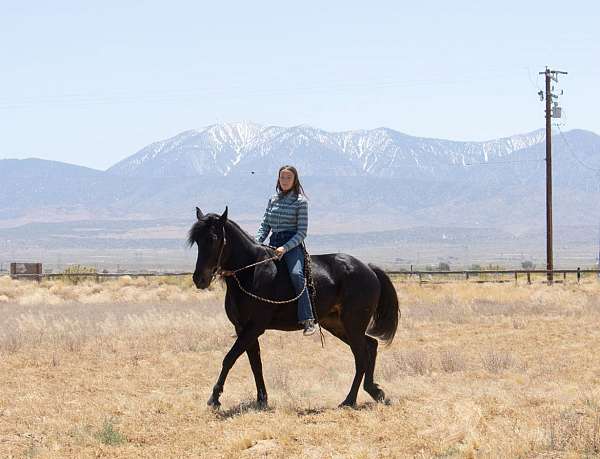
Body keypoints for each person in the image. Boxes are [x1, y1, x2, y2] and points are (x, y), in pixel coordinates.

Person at [256, 165, 316, 336]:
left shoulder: (300, 202)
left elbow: (302, 232)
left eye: (288, 178)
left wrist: (285, 247)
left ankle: (308, 319)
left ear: (295, 180)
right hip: (271, 244)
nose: (285, 181)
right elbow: (265, 225)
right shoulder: (272, 199)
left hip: (292, 246)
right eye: (282, 177)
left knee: (297, 275)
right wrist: (256, 242)